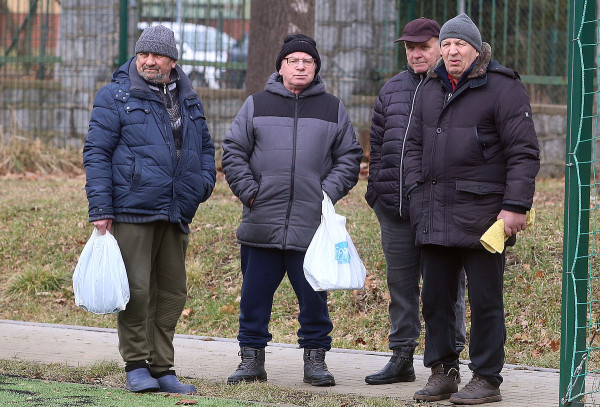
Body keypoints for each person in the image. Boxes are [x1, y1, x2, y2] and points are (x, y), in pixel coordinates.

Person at [403, 14, 540, 404]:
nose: (451, 51)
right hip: (433, 212)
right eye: (446, 44)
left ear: (476, 49)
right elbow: (412, 148)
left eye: (460, 44)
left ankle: (486, 378)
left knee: (485, 301)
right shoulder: (429, 88)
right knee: (435, 300)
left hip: (485, 217)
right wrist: (415, 191)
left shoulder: (503, 88)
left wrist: (515, 206)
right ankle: (443, 372)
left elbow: (524, 153)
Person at [222, 33, 363, 387]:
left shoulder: (332, 108)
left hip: (311, 226)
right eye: (293, 61)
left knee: (314, 299)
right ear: (281, 67)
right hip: (261, 222)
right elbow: (233, 151)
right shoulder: (256, 104)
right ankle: (251, 360)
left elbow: (349, 157)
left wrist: (324, 195)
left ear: (316, 68)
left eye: (307, 62)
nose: (300, 67)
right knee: (253, 298)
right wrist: (251, 194)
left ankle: (315, 360)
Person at [83, 25, 216, 394]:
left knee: (171, 294)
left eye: (157, 55)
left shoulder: (189, 98)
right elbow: (96, 153)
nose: (148, 61)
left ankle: (163, 367)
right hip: (132, 208)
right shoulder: (115, 95)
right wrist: (100, 207)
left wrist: (202, 184)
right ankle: (137, 365)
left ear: (172, 61)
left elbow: (206, 147)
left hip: (176, 209)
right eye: (143, 53)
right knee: (137, 291)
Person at [364, 17, 467, 386]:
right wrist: (376, 192)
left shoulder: (454, 87)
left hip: (438, 211)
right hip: (394, 210)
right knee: (400, 288)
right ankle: (401, 356)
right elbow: (378, 145)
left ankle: (449, 361)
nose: (416, 53)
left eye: (424, 46)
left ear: (441, 46)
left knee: (446, 289)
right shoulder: (392, 89)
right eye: (410, 47)